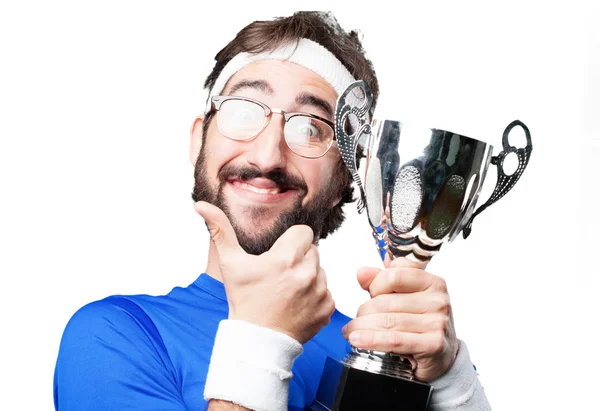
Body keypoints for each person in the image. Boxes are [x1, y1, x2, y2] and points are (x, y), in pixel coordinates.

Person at [53, 11, 490, 411]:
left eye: (310, 128)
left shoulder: (394, 353)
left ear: (346, 178)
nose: (267, 156)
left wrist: (453, 385)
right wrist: (261, 340)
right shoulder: (115, 336)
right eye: (244, 112)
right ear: (198, 140)